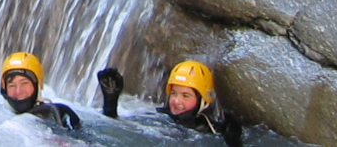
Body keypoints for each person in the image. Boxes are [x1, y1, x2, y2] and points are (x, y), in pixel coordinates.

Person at [96, 62, 243, 146]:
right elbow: (117, 131)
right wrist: (110, 103)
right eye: (174, 93)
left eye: (186, 96)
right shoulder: (156, 116)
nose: (177, 101)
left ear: (203, 100)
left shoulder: (214, 131)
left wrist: (234, 143)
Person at [0, 52, 80, 131]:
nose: (18, 91)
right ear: (4, 90)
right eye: (12, 86)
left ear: (37, 85)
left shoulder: (53, 112)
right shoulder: (3, 118)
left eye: (24, 83)